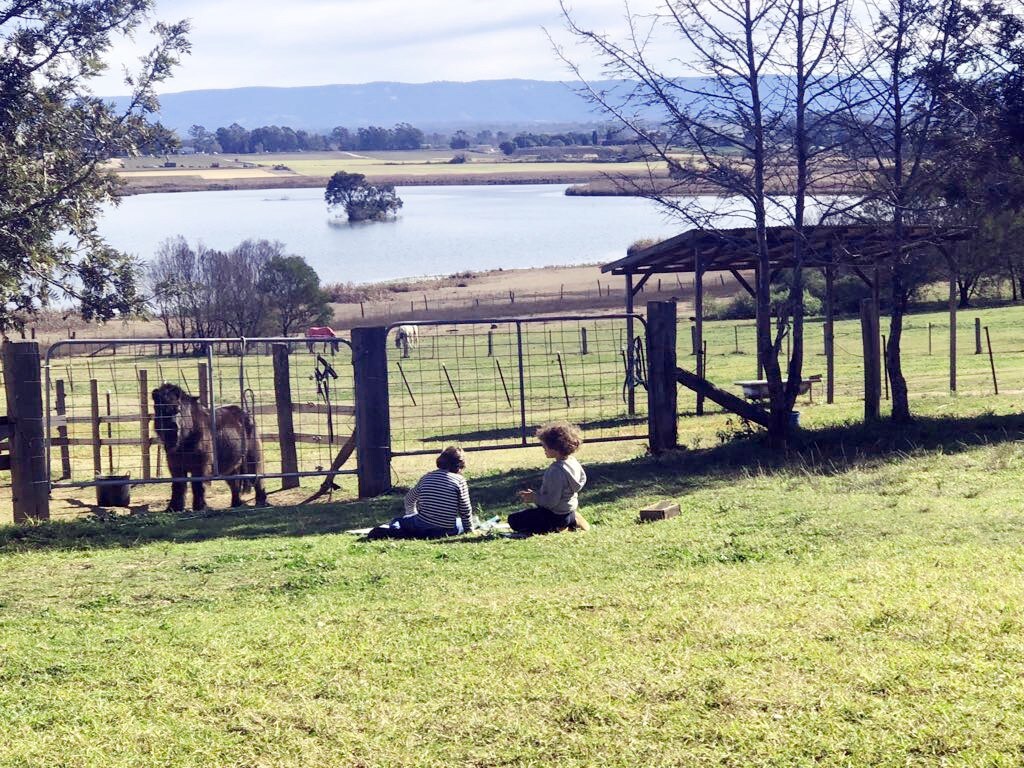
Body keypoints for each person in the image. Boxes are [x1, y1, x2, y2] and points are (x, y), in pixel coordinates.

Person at [367, 446, 473, 539]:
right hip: (446, 530)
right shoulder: (459, 481)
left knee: (397, 521)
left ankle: (397, 532)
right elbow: (465, 509)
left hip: (421, 526)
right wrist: (469, 529)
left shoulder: (427, 477)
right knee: (459, 523)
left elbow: (409, 499)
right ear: (459, 465)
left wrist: (411, 515)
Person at [509, 422, 589, 534]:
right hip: (568, 511)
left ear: (555, 447)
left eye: (545, 446)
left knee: (513, 520)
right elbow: (582, 480)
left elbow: (551, 502)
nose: (543, 449)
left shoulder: (555, 471)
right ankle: (572, 520)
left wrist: (534, 498)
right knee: (529, 514)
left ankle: (559, 527)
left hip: (554, 517)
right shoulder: (573, 462)